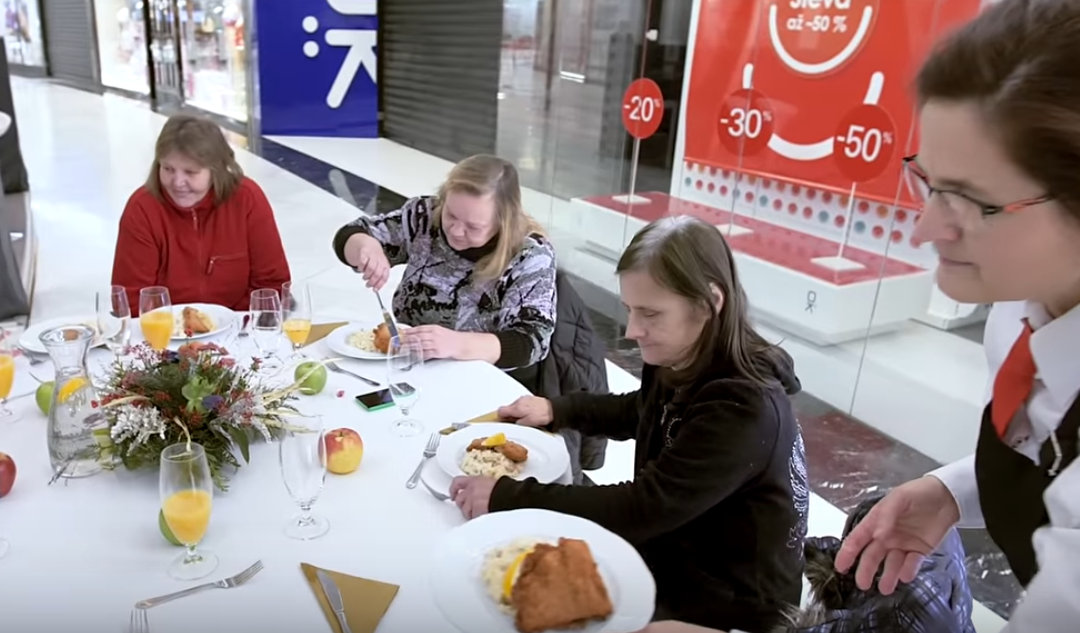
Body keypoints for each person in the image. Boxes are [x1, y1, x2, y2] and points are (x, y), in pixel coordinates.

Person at [830, 2, 1080, 631]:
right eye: (930, 182)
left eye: (972, 201)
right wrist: (953, 490)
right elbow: (1040, 438)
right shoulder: (1019, 310)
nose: (922, 228)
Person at [450, 215, 809, 633]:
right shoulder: (681, 352)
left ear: (710, 302)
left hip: (730, 605)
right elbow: (643, 410)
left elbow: (641, 507)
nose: (632, 330)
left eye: (651, 313)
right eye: (629, 310)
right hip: (676, 548)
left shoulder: (743, 407)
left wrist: (509, 494)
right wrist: (557, 409)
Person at [333, 154, 556, 380]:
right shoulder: (424, 216)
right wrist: (365, 246)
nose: (456, 231)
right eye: (450, 214)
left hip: (479, 379)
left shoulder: (530, 255)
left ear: (503, 221)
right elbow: (349, 235)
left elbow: (532, 341)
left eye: (473, 226)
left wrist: (457, 344)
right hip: (409, 367)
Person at [111, 115, 290, 314]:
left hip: (239, 328)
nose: (177, 182)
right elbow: (130, 300)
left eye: (191, 172)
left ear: (216, 170)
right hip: (165, 334)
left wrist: (229, 325)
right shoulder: (142, 209)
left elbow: (271, 287)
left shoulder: (247, 199)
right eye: (168, 169)